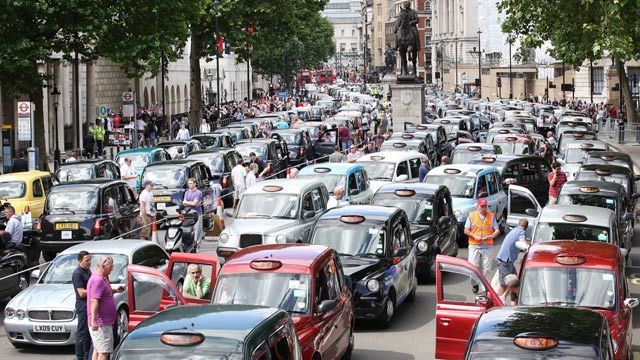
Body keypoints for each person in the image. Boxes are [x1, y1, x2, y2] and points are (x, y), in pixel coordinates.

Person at [87, 256, 124, 360]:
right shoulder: (98, 280)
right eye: (111, 266)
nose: (112, 269)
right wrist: (94, 321)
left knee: (97, 349)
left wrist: (116, 290)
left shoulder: (102, 278)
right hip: (101, 324)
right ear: (103, 266)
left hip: (102, 323)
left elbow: (103, 294)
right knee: (104, 352)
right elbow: (94, 301)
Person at [463, 198, 500, 284]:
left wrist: (491, 236)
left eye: (485, 206)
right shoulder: (471, 216)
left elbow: (497, 230)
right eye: (482, 206)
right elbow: (466, 230)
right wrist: (474, 236)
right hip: (474, 245)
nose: (484, 208)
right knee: (473, 266)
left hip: (487, 245)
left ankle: (486, 286)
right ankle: (474, 284)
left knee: (487, 268)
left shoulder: (491, 216)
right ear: (477, 206)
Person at [496, 218, 528, 297]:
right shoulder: (521, 232)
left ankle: (513, 301)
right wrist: (528, 248)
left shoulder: (514, 230)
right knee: (505, 284)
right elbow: (522, 242)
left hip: (505, 260)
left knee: (515, 282)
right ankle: (499, 301)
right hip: (505, 261)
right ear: (526, 227)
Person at [73, 251, 92, 360]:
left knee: (88, 333)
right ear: (80, 261)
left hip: (88, 304)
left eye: (90, 260)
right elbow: (81, 292)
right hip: (82, 306)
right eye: (86, 260)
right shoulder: (77, 273)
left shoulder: (88, 270)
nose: (89, 262)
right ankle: (80, 356)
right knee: (82, 332)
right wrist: (95, 290)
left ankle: (87, 354)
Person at [183, 178, 204, 249]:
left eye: (191, 183)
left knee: (197, 230)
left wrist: (188, 203)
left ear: (195, 184)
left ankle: (197, 246)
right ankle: (190, 245)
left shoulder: (198, 193)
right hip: (189, 214)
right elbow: (184, 203)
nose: (189, 185)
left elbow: (195, 203)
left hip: (197, 214)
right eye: (188, 183)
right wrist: (192, 203)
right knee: (189, 230)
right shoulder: (187, 192)